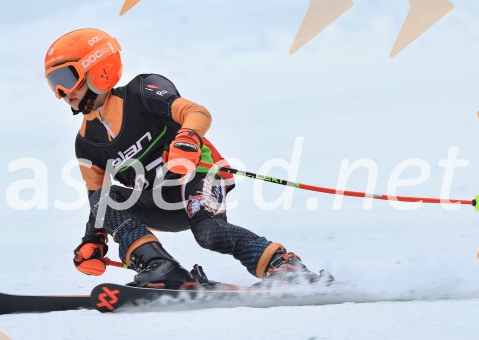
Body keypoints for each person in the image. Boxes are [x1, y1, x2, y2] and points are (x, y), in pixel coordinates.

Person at [44, 27, 329, 288]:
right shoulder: (86, 144)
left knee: (209, 232)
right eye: (53, 84)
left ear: (98, 69)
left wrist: (188, 138)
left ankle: (284, 266)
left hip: (200, 178)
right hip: (160, 201)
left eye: (65, 79)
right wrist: (93, 239)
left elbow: (198, 112)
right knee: (105, 198)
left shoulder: (142, 92)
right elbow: (99, 201)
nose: (61, 93)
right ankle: (159, 266)